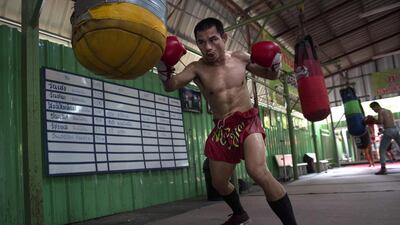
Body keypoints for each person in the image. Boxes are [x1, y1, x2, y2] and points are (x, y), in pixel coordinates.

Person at [157, 17, 297, 225]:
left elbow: (269, 74)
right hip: (223, 129)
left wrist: (275, 64)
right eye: (202, 42)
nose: (208, 47)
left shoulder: (240, 58)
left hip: (248, 122)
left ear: (224, 37)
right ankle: (240, 214)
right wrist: (163, 67)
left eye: (213, 40)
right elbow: (171, 85)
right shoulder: (197, 68)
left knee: (258, 170)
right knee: (219, 183)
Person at [367, 102, 400, 175]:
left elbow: (380, 122)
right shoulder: (388, 111)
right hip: (396, 130)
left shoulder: (380, 112)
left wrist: (373, 120)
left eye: (373, 109)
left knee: (382, 150)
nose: (374, 110)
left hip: (388, 131)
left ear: (376, 106)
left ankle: (383, 169)